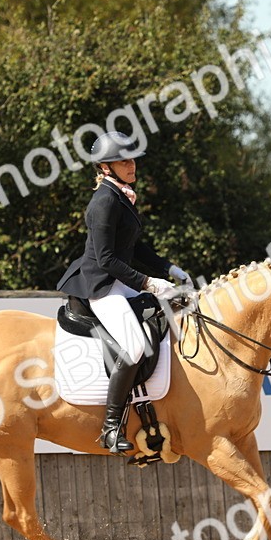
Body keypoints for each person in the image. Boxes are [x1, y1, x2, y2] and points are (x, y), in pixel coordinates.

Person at [56, 132, 187, 455]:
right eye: (124, 161)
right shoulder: (103, 202)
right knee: (133, 346)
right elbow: (107, 260)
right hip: (101, 285)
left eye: (132, 160)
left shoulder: (120, 196)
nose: (132, 166)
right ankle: (111, 428)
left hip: (119, 277)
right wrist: (148, 283)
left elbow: (134, 246)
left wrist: (168, 268)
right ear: (105, 166)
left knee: (177, 305)